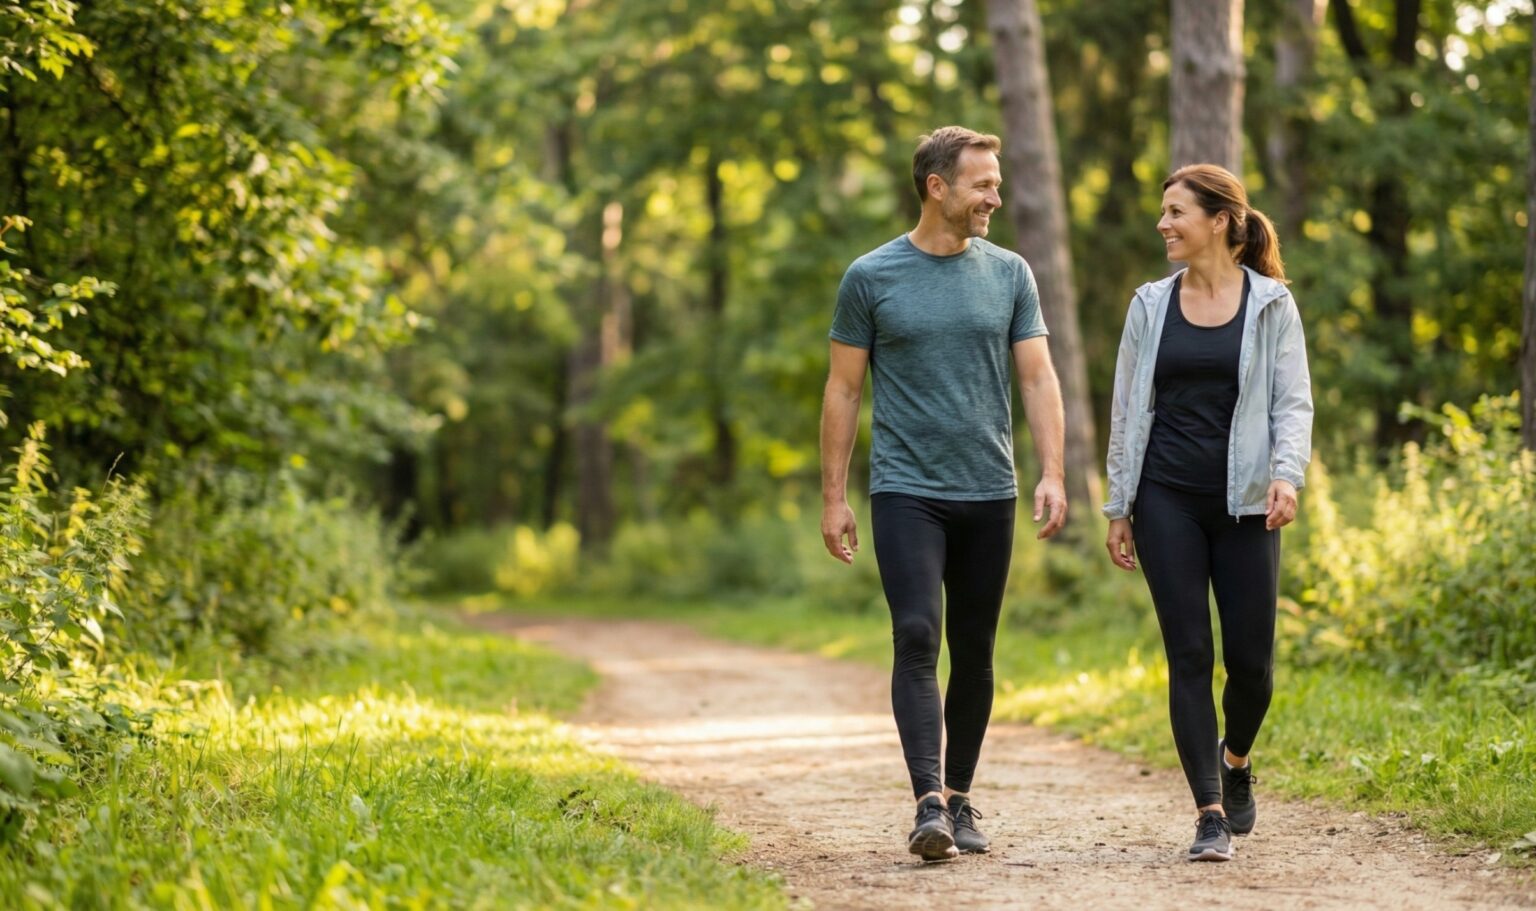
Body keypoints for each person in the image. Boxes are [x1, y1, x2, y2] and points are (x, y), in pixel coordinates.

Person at [819, 126, 1068, 862]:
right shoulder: (871, 276)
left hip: (989, 489)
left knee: (976, 648)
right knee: (918, 634)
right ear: (938, 187)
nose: (996, 196)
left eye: (996, 182)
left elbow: (1037, 377)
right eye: (983, 184)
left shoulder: (1011, 273)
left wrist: (1053, 470)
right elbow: (842, 388)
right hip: (906, 489)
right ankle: (927, 798)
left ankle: (961, 796)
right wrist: (833, 495)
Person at [1103, 163, 1313, 862]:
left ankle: (1237, 757)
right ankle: (1209, 812)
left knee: (1252, 664)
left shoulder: (1271, 303)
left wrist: (1287, 475)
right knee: (1189, 652)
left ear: (1219, 220)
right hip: (1166, 497)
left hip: (1248, 499)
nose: (1163, 224)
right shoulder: (1149, 304)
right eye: (1163, 213)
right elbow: (1128, 408)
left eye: (1175, 212)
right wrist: (1119, 504)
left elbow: (1293, 400)